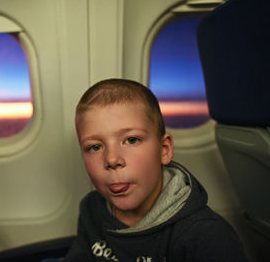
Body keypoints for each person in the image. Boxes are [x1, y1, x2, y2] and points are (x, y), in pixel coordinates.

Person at [64, 78, 248, 262]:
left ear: (164, 150)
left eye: (131, 140)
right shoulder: (92, 209)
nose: (112, 160)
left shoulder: (206, 237)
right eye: (95, 147)